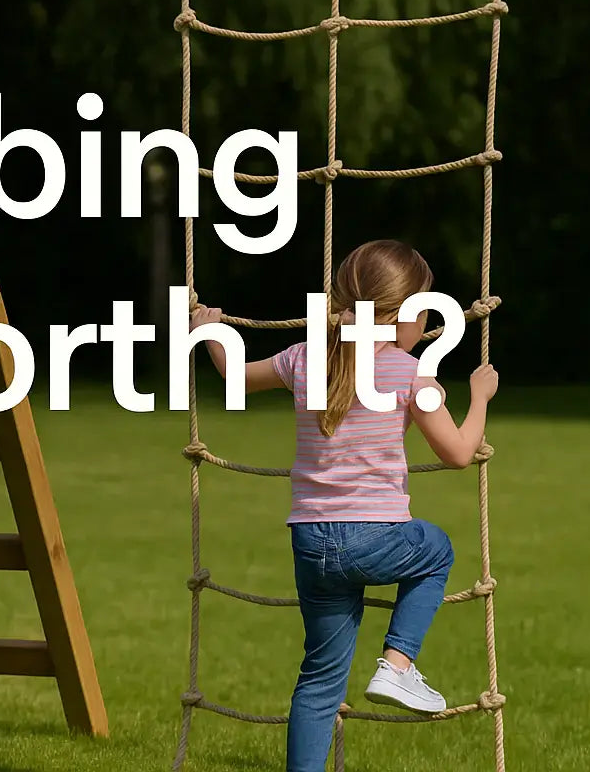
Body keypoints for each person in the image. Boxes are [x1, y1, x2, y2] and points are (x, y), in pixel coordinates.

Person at [189, 239, 498, 772]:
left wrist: (211, 333)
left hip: (310, 541)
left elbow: (235, 377)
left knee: (319, 679)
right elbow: (457, 453)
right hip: (374, 536)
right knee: (438, 549)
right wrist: (480, 397)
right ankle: (397, 664)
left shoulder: (305, 356)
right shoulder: (408, 373)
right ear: (402, 314)